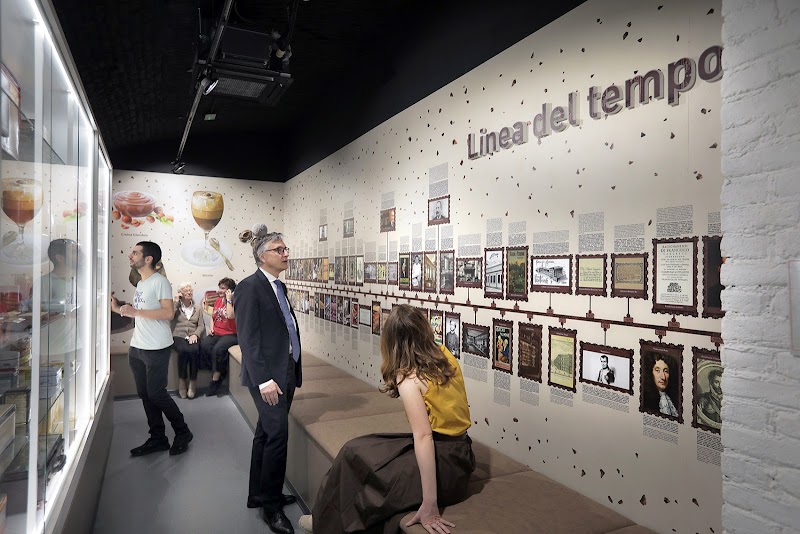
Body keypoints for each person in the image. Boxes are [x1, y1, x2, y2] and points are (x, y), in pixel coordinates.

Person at [298, 304, 475, 534]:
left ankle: (325, 523)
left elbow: (423, 436)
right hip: (462, 454)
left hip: (445, 463)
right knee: (354, 451)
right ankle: (322, 517)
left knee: (367, 473)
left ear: (391, 341)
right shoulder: (445, 355)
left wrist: (430, 504)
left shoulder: (409, 377)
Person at [235, 224, 302, 534]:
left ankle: (258, 494)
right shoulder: (249, 287)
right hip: (268, 376)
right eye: (280, 250)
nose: (286, 253)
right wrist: (263, 380)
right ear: (263, 256)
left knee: (265, 433)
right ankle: (271, 509)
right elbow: (248, 338)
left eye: (285, 249)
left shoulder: (279, 286)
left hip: (285, 369)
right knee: (277, 437)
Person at [111, 241, 192, 456]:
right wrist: (118, 308)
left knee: (157, 393)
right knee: (145, 394)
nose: (130, 255)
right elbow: (141, 312)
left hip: (156, 347)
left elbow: (167, 313)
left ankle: (183, 432)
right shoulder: (141, 283)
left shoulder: (160, 282)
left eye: (135, 252)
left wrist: (134, 312)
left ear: (148, 259)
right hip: (137, 347)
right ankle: (158, 438)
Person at [200, 277, 238, 396]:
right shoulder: (217, 301)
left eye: (223, 288)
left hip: (231, 334)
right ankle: (221, 371)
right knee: (204, 345)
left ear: (230, 291)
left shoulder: (235, 301)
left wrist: (228, 299)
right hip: (217, 332)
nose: (220, 291)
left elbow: (231, 316)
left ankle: (216, 379)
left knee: (218, 350)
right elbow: (213, 317)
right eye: (220, 288)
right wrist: (211, 327)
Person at [171, 282, 205, 399]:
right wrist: (176, 302)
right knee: (184, 351)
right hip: (178, 336)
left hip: (192, 335)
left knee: (194, 350)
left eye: (190, 290)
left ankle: (193, 382)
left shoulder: (198, 308)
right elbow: (170, 317)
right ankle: (182, 381)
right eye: (186, 291)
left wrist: (195, 334)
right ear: (181, 293)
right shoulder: (176, 306)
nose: (189, 292)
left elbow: (201, 325)